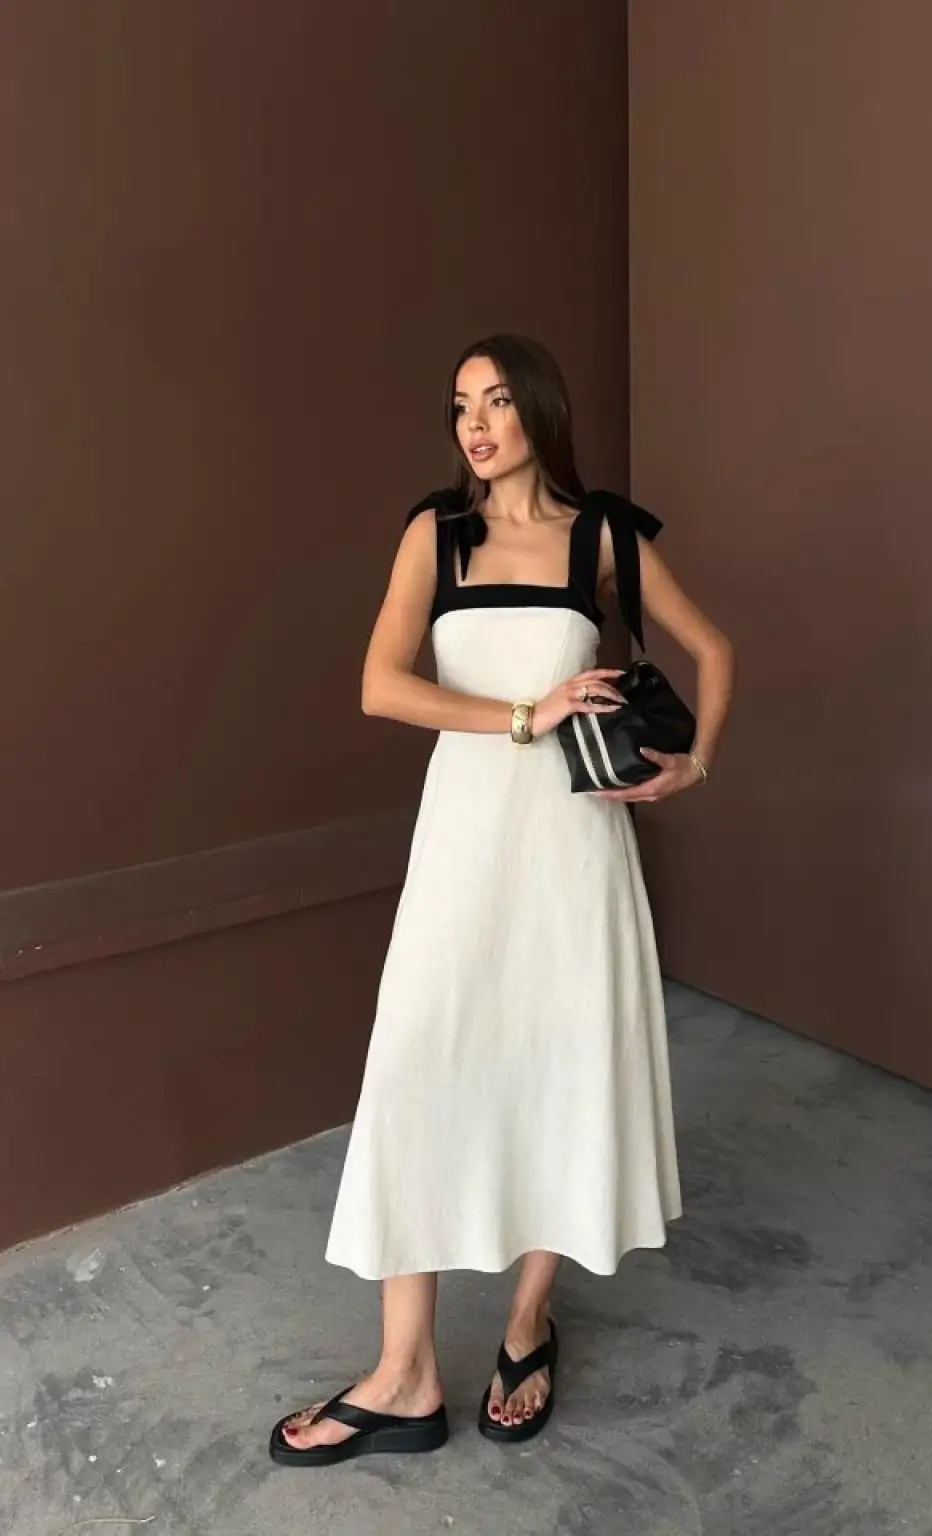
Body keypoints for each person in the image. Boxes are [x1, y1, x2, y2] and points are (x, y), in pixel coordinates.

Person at [269, 334, 735, 1468]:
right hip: (463, 843)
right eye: (459, 405)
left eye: (495, 401)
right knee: (419, 1065)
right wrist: (526, 714)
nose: (474, 424)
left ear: (538, 410)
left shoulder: (604, 535)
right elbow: (382, 687)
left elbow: (713, 648)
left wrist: (696, 762)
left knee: (562, 1064)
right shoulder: (436, 533)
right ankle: (405, 1373)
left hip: (574, 851)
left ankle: (529, 1323)